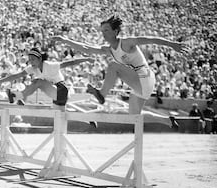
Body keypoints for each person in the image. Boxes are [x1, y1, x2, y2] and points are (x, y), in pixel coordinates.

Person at [52, 15, 190, 127]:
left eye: (106, 30)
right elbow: (87, 48)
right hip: (139, 82)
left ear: (115, 31)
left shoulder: (126, 42)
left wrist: (172, 45)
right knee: (134, 116)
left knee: (113, 66)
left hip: (144, 76)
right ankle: (167, 120)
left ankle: (101, 94)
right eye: (102, 31)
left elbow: (150, 39)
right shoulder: (108, 49)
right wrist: (65, 40)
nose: (103, 34)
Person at [0, 48, 94, 111]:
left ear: (40, 59)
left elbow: (70, 62)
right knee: (60, 118)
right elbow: (16, 75)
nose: (31, 62)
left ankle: (17, 96)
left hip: (62, 90)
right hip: (55, 94)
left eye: (33, 59)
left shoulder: (50, 65)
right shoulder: (33, 68)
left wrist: (87, 59)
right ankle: (88, 121)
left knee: (38, 82)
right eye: (29, 60)